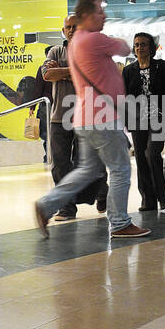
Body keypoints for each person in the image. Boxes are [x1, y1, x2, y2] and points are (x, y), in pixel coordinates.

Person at [33, 0, 150, 238]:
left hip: (85, 117)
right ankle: (119, 223)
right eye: (99, 12)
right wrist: (111, 42)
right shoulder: (94, 39)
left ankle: (46, 205)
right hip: (102, 117)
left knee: (87, 170)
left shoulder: (75, 42)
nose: (104, 15)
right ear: (86, 16)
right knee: (120, 170)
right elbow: (125, 47)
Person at [40, 14, 106, 220]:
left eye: (74, 26)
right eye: (67, 27)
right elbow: (47, 75)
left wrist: (63, 71)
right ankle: (66, 207)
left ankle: (102, 191)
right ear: (63, 31)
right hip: (59, 117)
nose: (71, 30)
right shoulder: (55, 51)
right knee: (60, 164)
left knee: (85, 162)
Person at [122, 32, 165, 211]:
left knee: (152, 154)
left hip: (158, 115)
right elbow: (125, 96)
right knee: (140, 158)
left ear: (151, 47)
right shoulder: (128, 70)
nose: (140, 48)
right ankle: (147, 199)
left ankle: (162, 195)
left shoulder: (161, 67)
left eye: (143, 44)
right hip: (136, 117)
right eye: (137, 44)